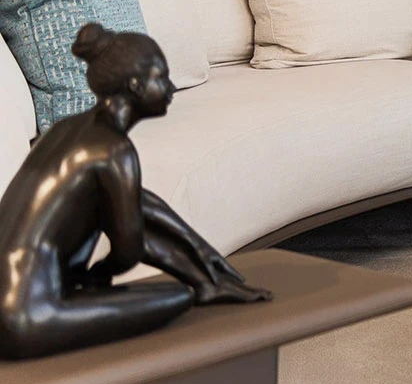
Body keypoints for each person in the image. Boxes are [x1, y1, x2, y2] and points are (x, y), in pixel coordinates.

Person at [0, 23, 267, 360]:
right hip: (28, 318)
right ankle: (205, 282)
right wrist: (102, 272)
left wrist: (201, 256)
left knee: (139, 206)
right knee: (176, 297)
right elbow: (128, 249)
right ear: (136, 86)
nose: (170, 87)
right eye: (161, 78)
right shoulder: (113, 150)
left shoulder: (65, 131)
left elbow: (140, 205)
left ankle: (209, 277)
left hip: (9, 301)